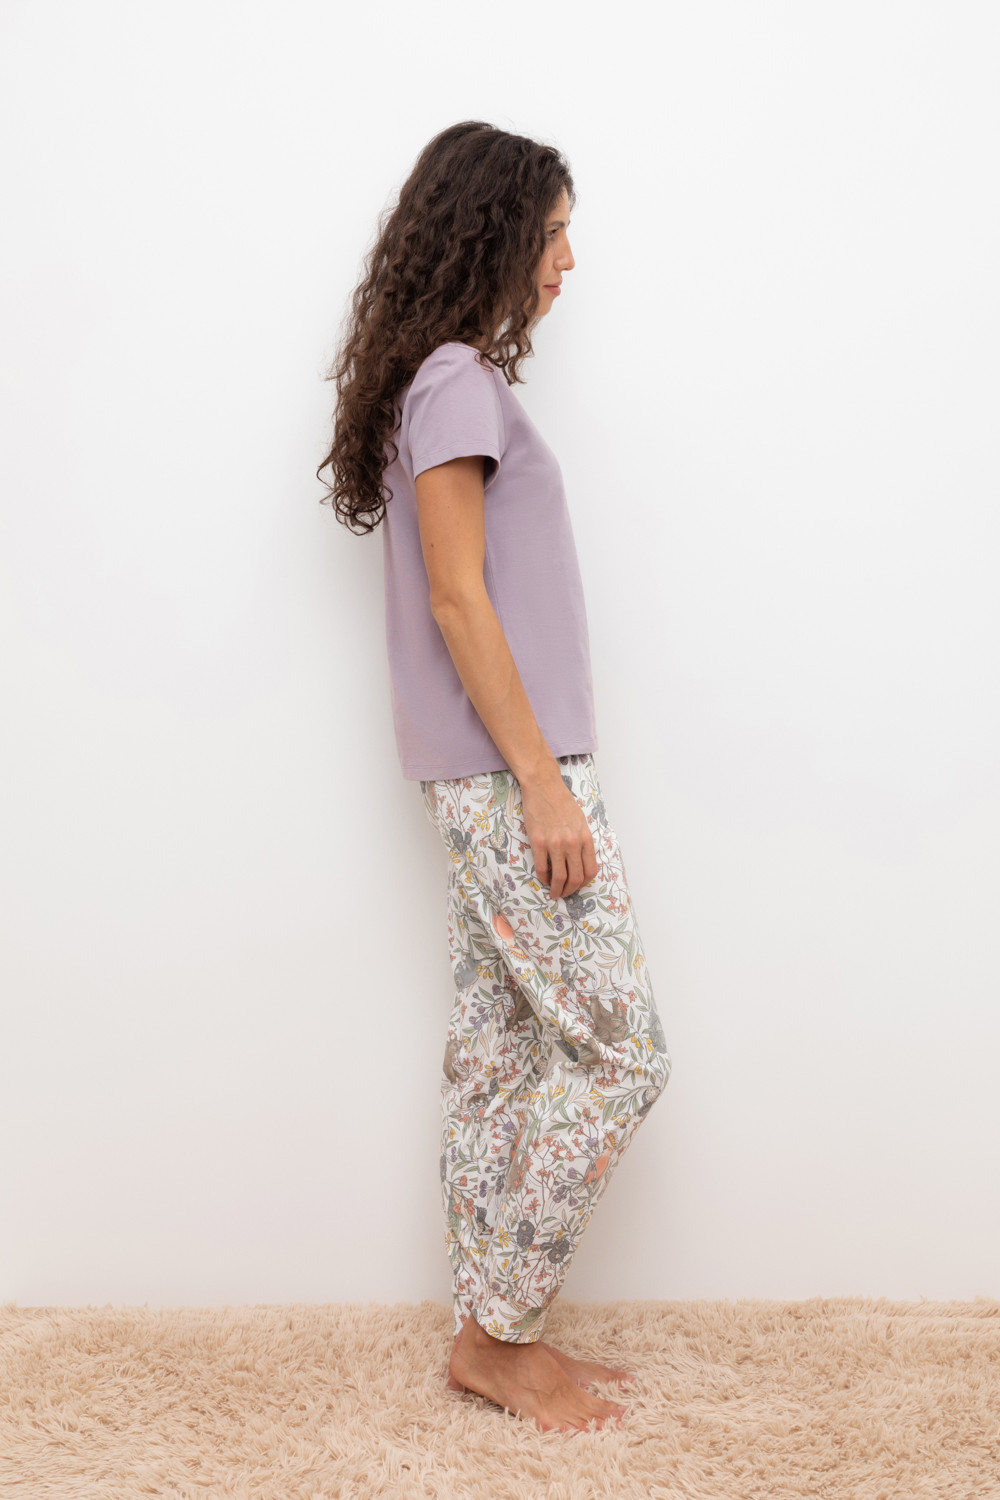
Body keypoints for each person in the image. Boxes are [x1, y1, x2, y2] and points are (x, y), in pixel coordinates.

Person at [317, 120, 671, 1435]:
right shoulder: (458, 382)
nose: (568, 260)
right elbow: (461, 600)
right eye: (554, 232)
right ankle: (502, 1338)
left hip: (479, 770)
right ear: (498, 234)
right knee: (623, 1055)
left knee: (503, 1052)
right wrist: (542, 781)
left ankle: (491, 1336)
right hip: (507, 770)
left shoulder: (437, 379)